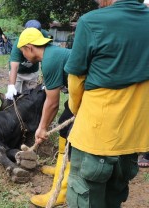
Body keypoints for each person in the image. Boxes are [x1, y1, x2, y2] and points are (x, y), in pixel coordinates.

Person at [64, 0, 149, 207]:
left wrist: (77, 111)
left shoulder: (92, 21)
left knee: (84, 197)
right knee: (115, 195)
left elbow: (75, 81)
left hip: (95, 136)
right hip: (133, 136)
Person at [17, 28, 73, 207]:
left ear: (30, 47)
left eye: (23, 51)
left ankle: (62, 190)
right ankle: (60, 169)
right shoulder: (53, 53)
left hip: (94, 95)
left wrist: (42, 128)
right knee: (65, 128)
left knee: (72, 133)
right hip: (82, 94)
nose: (23, 56)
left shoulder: (50, 60)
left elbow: (52, 102)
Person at [5, 20, 48, 99]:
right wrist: (11, 86)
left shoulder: (44, 36)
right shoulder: (19, 43)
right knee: (15, 96)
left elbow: (46, 58)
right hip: (18, 73)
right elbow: (14, 66)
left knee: (30, 97)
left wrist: (46, 81)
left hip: (32, 72)